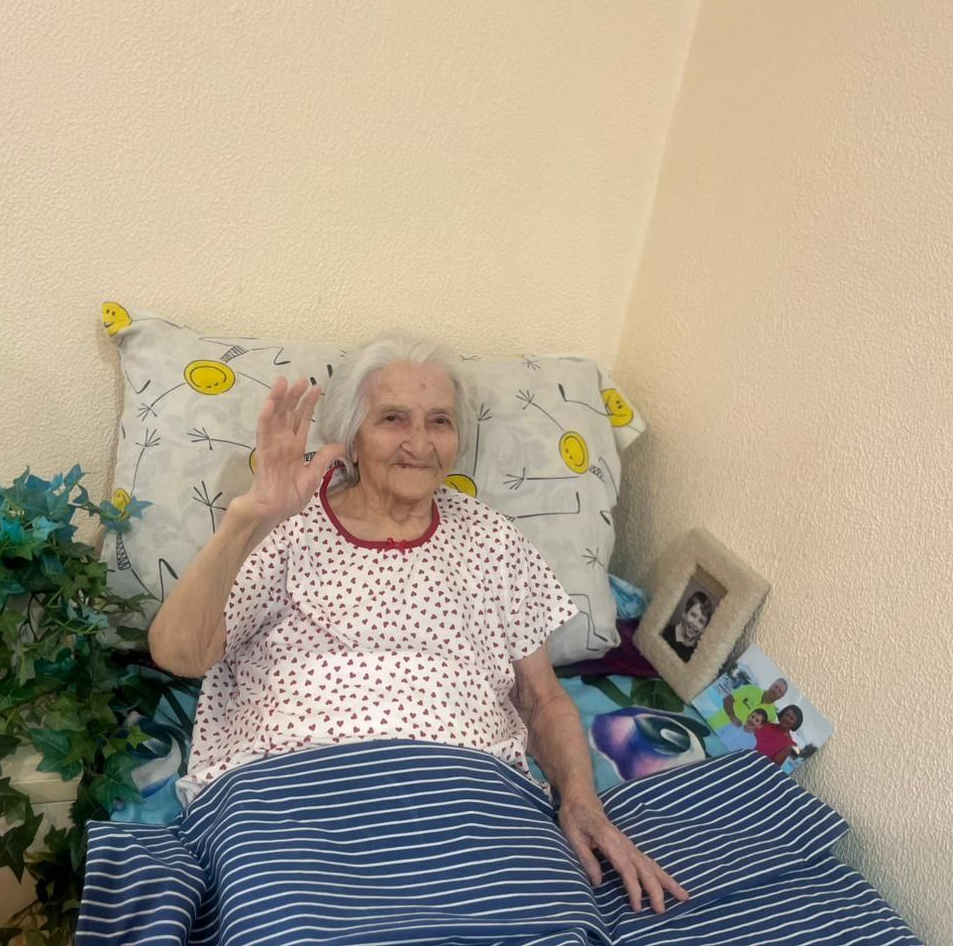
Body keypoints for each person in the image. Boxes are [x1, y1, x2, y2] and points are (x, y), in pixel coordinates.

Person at [148, 333, 689, 915]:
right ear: (351, 435)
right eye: (392, 418)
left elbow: (541, 697)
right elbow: (180, 655)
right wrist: (247, 518)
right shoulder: (286, 522)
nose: (419, 443)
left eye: (439, 421)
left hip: (468, 792)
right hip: (297, 788)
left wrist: (581, 800)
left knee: (546, 919)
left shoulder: (491, 539)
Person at [707, 675, 788, 730]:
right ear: (771, 684)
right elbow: (727, 700)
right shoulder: (751, 689)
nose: (775, 690)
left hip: (729, 744)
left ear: (781, 696)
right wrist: (732, 717)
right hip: (713, 725)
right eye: (776, 686)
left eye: (779, 691)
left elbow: (762, 733)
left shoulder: (772, 716)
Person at [661, 590, 715, 662]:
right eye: (693, 615)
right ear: (684, 613)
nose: (695, 623)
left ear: (704, 629)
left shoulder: (695, 657)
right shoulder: (664, 631)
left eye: (701, 621)